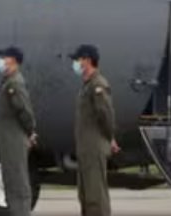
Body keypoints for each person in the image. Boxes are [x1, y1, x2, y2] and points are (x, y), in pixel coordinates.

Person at [70, 44, 119, 216]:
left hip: (94, 148)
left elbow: (105, 114)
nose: (75, 63)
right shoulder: (87, 85)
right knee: (85, 194)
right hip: (86, 148)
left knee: (95, 195)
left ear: (88, 60)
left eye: (78, 59)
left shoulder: (98, 84)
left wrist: (109, 137)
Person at [0, 46, 37, 216]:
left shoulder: (14, 84)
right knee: (10, 182)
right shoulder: (7, 83)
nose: (1, 61)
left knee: (18, 184)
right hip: (8, 141)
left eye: (4, 58)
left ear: (14, 61)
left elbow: (25, 111)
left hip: (14, 141)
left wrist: (30, 131)